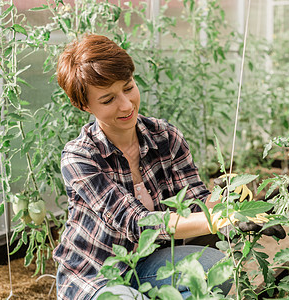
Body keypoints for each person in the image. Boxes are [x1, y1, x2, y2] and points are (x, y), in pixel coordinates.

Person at [53, 34, 233, 300]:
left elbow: (197, 201)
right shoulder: (80, 157)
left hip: (147, 265)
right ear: (84, 105)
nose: (126, 105)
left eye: (128, 88)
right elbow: (137, 222)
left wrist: (235, 210)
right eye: (108, 99)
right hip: (96, 275)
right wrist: (217, 222)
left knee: (220, 269)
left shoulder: (165, 137)